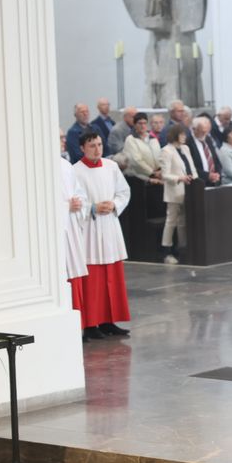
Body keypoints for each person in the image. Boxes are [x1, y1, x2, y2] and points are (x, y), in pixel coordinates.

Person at [73, 131, 132, 340]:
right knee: (94, 280)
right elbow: (74, 201)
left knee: (112, 276)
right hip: (90, 228)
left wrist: (114, 204)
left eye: (99, 145)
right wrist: (92, 207)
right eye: (92, 146)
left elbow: (124, 192)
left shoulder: (111, 166)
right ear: (82, 148)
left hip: (110, 226)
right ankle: (90, 324)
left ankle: (109, 321)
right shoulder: (75, 171)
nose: (97, 149)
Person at [58, 131, 89, 332]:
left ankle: (79, 326)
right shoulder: (40, 167)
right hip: (58, 231)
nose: (63, 141)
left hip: (70, 226)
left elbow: (79, 193)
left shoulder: (65, 165)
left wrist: (79, 203)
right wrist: (65, 207)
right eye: (60, 138)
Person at [159, 123, 196, 264]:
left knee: (182, 221)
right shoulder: (166, 151)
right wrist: (180, 178)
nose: (184, 137)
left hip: (189, 190)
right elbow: (165, 175)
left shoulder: (185, 148)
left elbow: (191, 167)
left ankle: (183, 248)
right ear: (175, 135)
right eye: (182, 134)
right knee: (171, 221)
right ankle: (166, 251)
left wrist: (195, 179)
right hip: (175, 191)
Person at [122, 112, 161, 182]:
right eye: (140, 123)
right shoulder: (131, 139)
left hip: (157, 176)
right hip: (139, 179)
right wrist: (152, 173)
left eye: (145, 123)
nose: (143, 126)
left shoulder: (153, 138)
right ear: (134, 125)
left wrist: (160, 170)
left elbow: (160, 156)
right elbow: (136, 161)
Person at [186, 116, 223, 186]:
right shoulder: (188, 143)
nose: (205, 134)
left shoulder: (208, 139)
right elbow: (189, 166)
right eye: (202, 131)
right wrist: (207, 176)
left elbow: (215, 159)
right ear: (194, 129)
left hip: (214, 182)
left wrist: (217, 173)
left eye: (207, 131)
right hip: (199, 183)